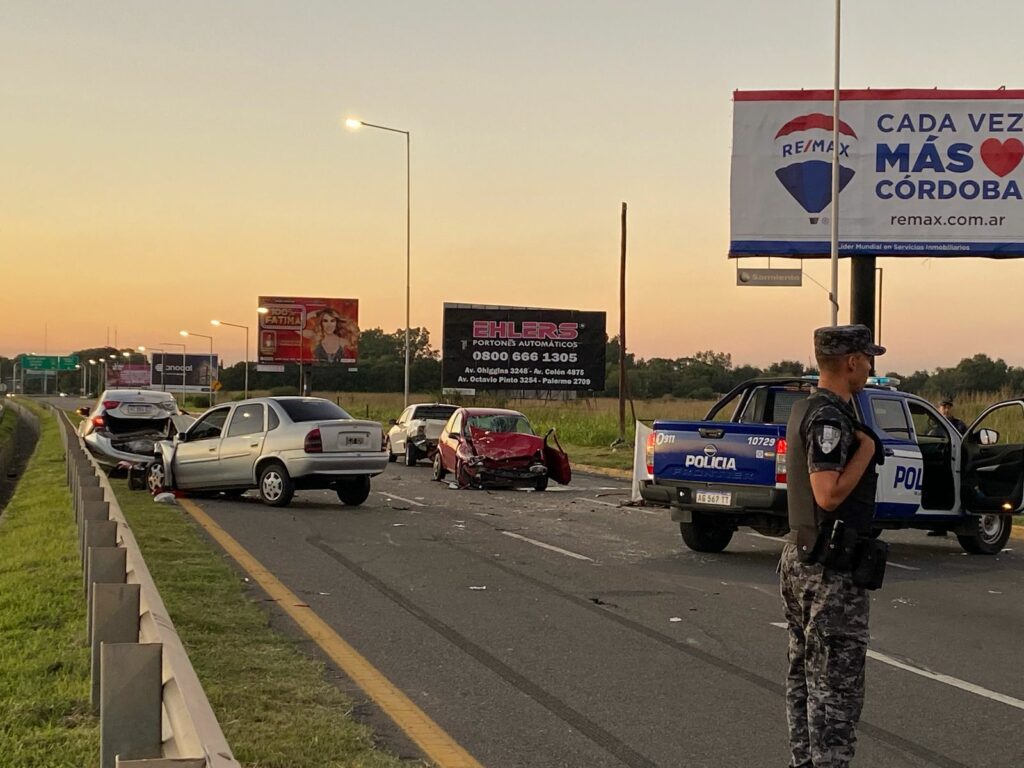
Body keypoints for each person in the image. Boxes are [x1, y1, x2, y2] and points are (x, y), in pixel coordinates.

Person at [780, 324, 886, 768]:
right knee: (835, 691)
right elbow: (827, 495)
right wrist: (866, 449)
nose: (870, 365)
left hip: (804, 557)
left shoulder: (807, 407)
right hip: (830, 571)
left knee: (805, 679)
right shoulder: (829, 418)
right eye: (867, 357)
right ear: (852, 361)